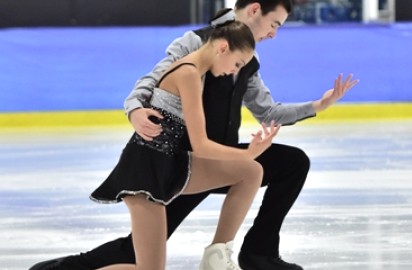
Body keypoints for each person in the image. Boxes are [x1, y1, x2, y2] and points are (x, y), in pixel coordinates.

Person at [29, 1, 359, 269]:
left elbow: (267, 111)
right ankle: (67, 268)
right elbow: (152, 81)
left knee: (291, 163)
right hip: (177, 161)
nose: (274, 35)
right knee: (140, 252)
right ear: (255, 10)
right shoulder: (196, 43)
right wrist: (134, 110)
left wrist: (319, 104)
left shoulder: (246, 57)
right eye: (275, 25)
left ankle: (254, 253)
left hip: (214, 159)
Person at [93, 20, 279, 270]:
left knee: (251, 171)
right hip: (145, 171)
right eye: (237, 64)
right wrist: (248, 152)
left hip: (170, 162)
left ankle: (217, 256)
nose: (234, 72)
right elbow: (201, 145)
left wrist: (248, 158)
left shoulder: (196, 73)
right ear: (223, 48)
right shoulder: (189, 73)